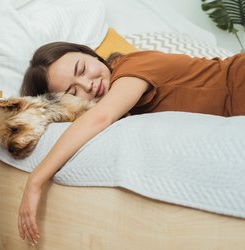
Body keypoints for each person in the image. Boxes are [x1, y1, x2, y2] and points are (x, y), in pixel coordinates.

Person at [17, 41, 245, 245]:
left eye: (83, 69)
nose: (87, 85)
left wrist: (35, 180)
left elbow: (100, 117)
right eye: (73, 91)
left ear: (92, 55)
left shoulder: (131, 67)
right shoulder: (117, 95)